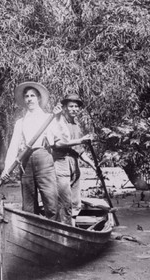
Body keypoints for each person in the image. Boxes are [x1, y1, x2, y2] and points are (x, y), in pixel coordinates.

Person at [1, 82, 60, 220]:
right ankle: (30, 234)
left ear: (38, 98)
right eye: (26, 96)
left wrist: (55, 117)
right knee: (28, 205)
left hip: (43, 158)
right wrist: (6, 168)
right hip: (25, 161)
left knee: (50, 201)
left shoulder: (48, 117)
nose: (29, 99)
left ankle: (57, 233)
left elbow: (57, 137)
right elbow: (13, 146)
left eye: (32, 95)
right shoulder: (20, 122)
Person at [53, 93, 95, 225]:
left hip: (74, 164)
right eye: (71, 106)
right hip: (61, 161)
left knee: (76, 201)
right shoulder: (58, 122)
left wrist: (94, 166)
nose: (74, 109)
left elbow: (80, 151)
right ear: (64, 107)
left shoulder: (76, 125)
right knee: (65, 200)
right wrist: (81, 140)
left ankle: (73, 227)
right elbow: (58, 143)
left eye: (76, 107)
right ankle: (65, 228)